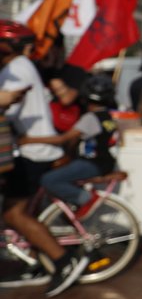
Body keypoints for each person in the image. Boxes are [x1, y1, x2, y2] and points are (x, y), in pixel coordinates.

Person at [0, 20, 87, 297]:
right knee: (26, 212)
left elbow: (8, 106)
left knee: (14, 214)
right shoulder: (20, 67)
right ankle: (40, 261)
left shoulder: (14, 71)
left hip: (31, 152)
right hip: (32, 150)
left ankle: (63, 260)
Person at [34, 75, 120, 212]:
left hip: (92, 164)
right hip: (105, 163)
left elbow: (64, 138)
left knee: (48, 179)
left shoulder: (90, 118)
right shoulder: (108, 116)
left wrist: (28, 140)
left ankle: (85, 199)